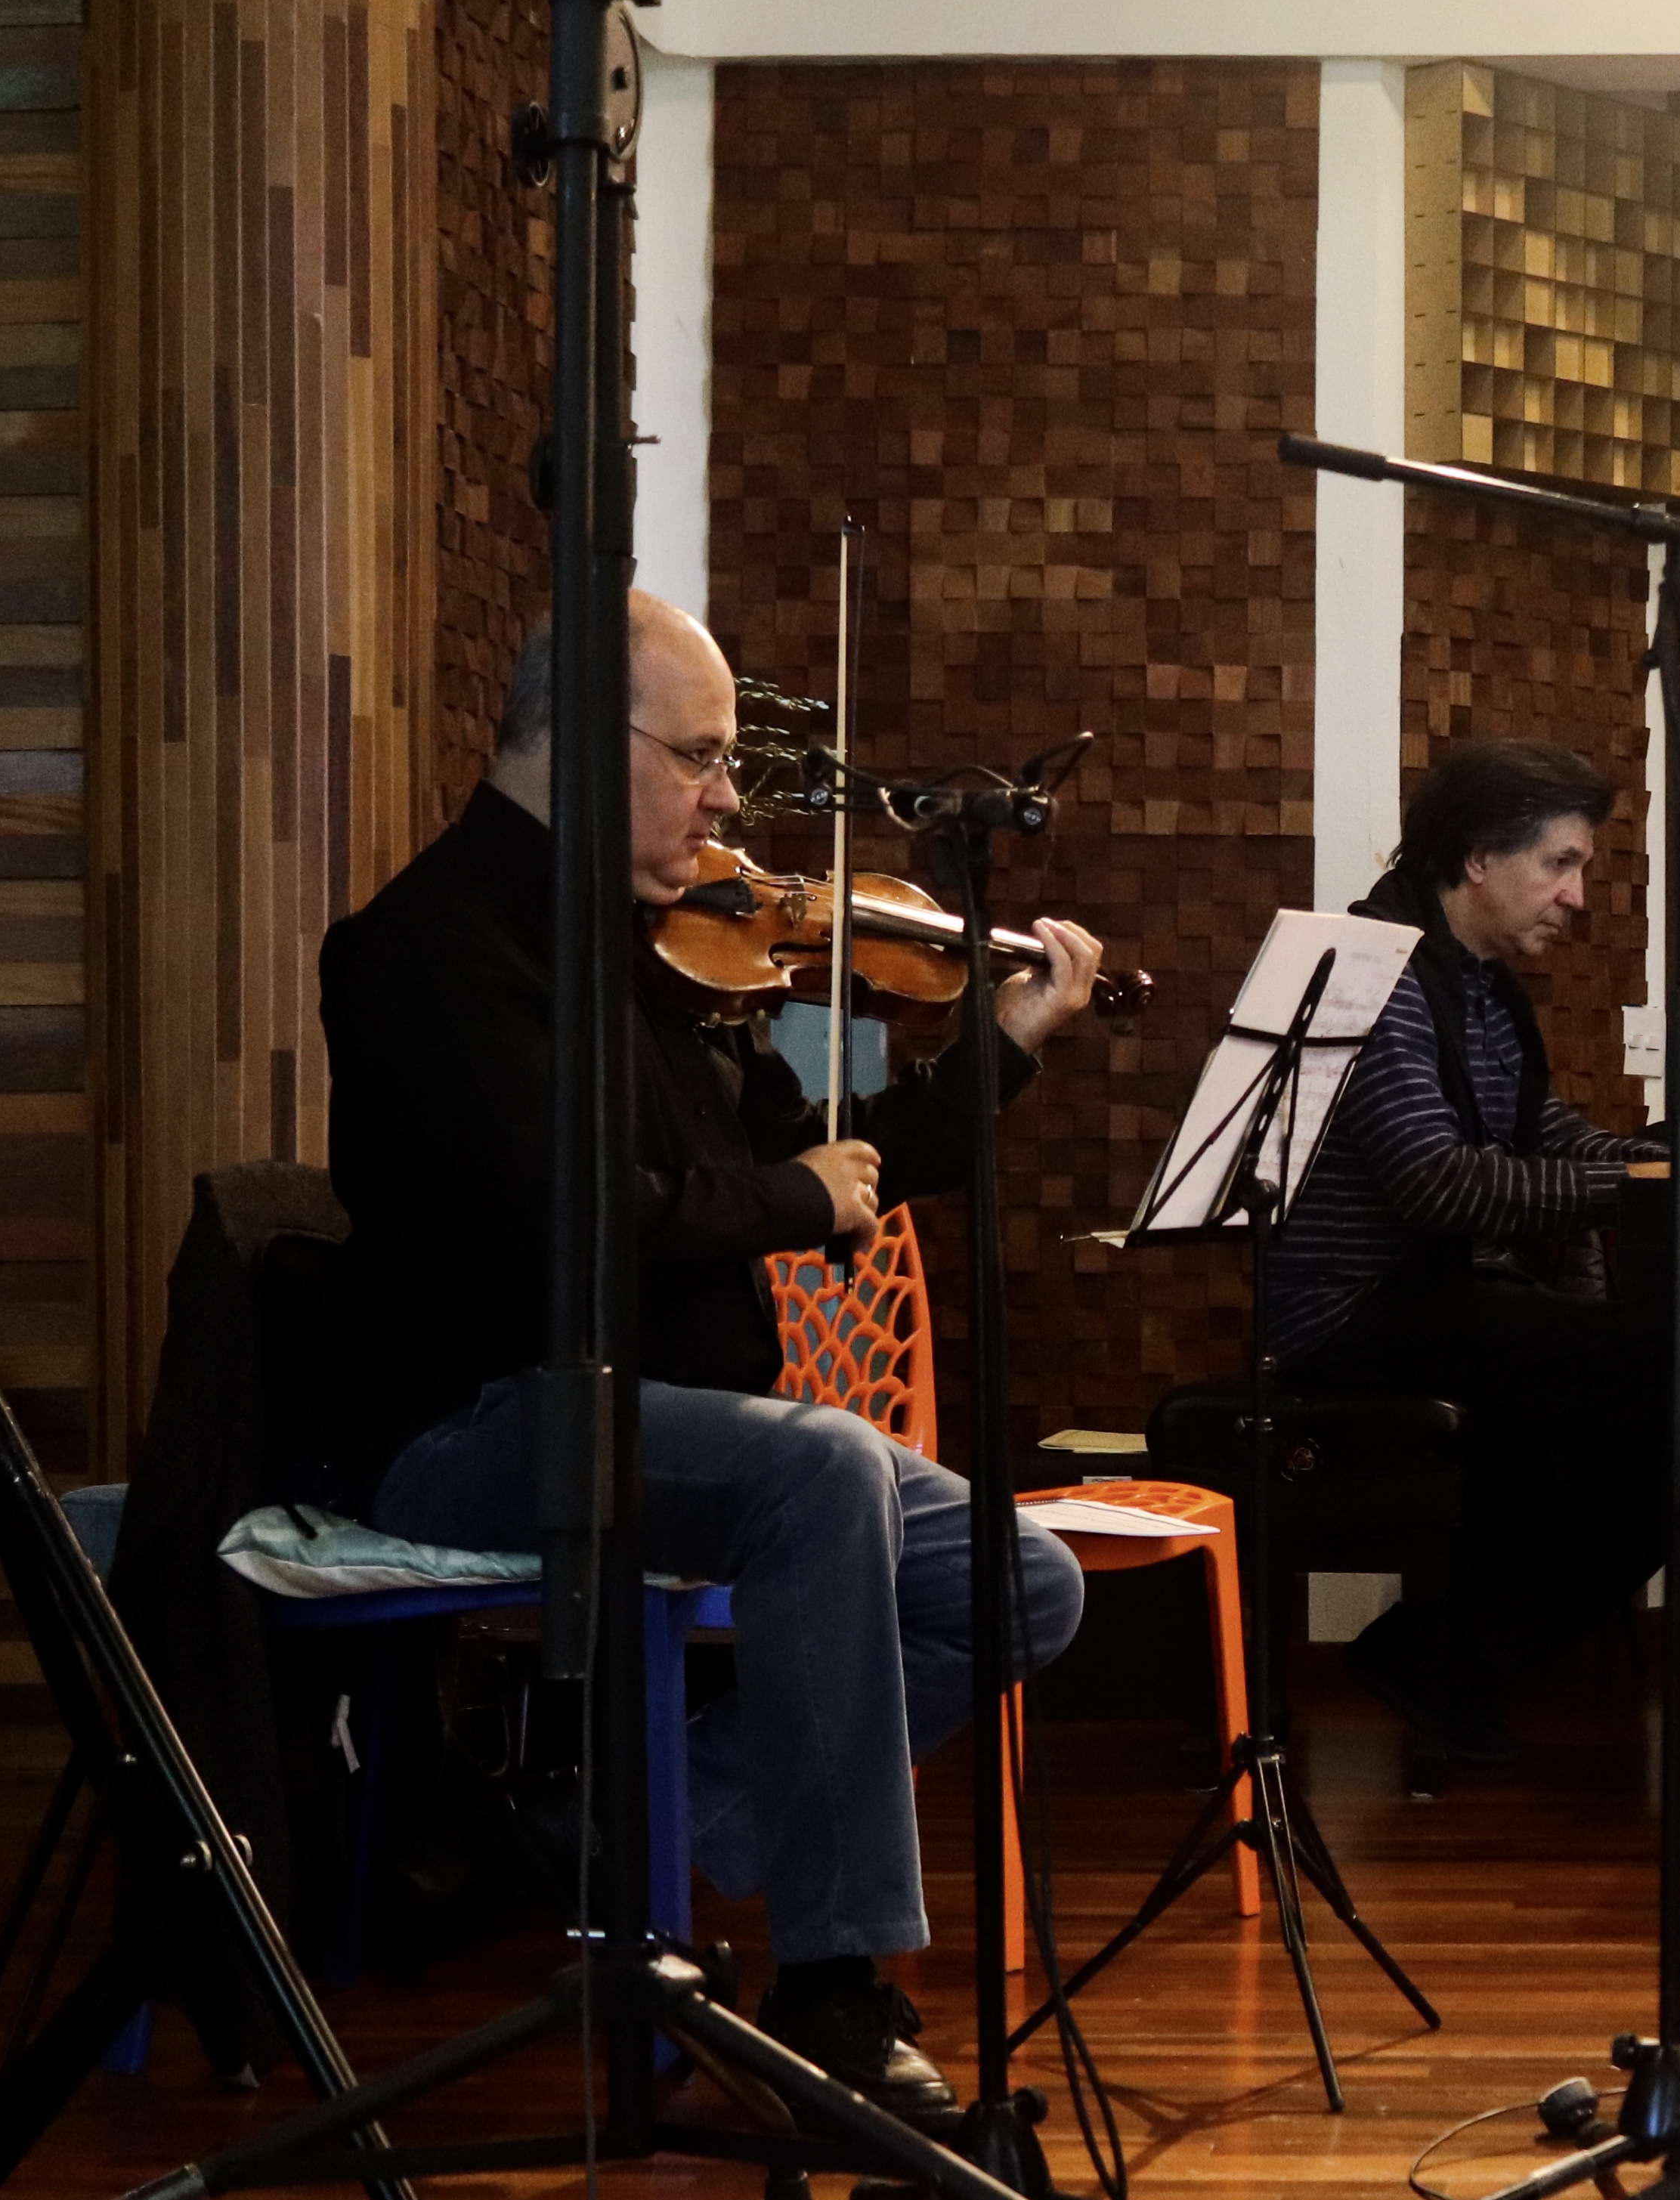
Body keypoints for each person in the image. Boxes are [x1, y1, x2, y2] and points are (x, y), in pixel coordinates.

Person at [320, 590, 1109, 2121]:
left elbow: (829, 1158)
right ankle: (835, 1996)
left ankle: (594, 1840)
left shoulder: (674, 956)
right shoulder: (428, 947)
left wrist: (1000, 1049)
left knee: (1023, 1581)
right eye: (699, 755)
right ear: (577, 746)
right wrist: (786, 1200)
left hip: (671, 1419)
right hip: (477, 1417)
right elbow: (564, 1222)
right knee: (817, 1465)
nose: (731, 795)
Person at [1267, 738, 1666, 1762]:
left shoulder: (1484, 987)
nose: (1576, 896)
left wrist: (1662, 1160)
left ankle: (1440, 1654)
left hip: (1437, 1301)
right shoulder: (1371, 973)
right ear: (1483, 857)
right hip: (1356, 1311)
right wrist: (1635, 1183)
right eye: (1562, 864)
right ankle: (1441, 1655)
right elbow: (1437, 1183)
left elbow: (1542, 1134)